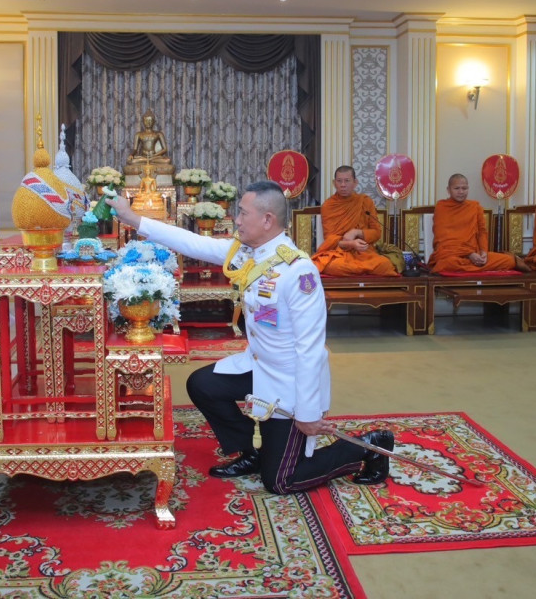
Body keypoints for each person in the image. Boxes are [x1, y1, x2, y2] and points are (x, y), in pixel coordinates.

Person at [107, 180, 394, 493]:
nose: (238, 220)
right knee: (202, 384)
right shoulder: (248, 253)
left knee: (281, 481)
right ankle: (253, 451)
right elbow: (194, 243)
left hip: (289, 383)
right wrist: (132, 218)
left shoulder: (298, 271)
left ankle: (369, 447)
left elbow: (310, 350)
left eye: (243, 213)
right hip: (259, 366)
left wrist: (308, 413)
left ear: (267, 220)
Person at [431, 174, 530, 273]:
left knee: (509, 261)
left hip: (475, 254)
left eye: (464, 188)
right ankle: (472, 267)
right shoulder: (442, 207)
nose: (461, 192)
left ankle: (470, 267)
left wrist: (483, 253)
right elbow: (443, 241)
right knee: (447, 263)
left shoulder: (475, 207)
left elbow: (482, 232)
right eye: (456, 188)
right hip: (451, 255)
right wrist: (469, 254)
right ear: (448, 190)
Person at [311, 166, 399, 276]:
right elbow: (330, 239)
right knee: (334, 266)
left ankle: (361, 271)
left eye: (347, 181)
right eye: (339, 181)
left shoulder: (365, 202)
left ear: (355, 182)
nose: (343, 185)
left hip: (364, 252)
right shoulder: (328, 206)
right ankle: (363, 271)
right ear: (334, 183)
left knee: (385, 265)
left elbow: (376, 233)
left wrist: (358, 232)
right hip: (340, 253)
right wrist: (351, 244)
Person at [124, 110, 174, 175]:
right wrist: (131, 155)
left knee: (167, 161)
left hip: (154, 157)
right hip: (143, 157)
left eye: (150, 121)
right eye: (146, 121)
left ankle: (150, 162)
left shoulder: (159, 134)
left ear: (154, 122)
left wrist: (154, 155)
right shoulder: (138, 134)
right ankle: (147, 162)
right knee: (130, 162)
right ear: (143, 122)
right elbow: (135, 149)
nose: (148, 123)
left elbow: (165, 149)